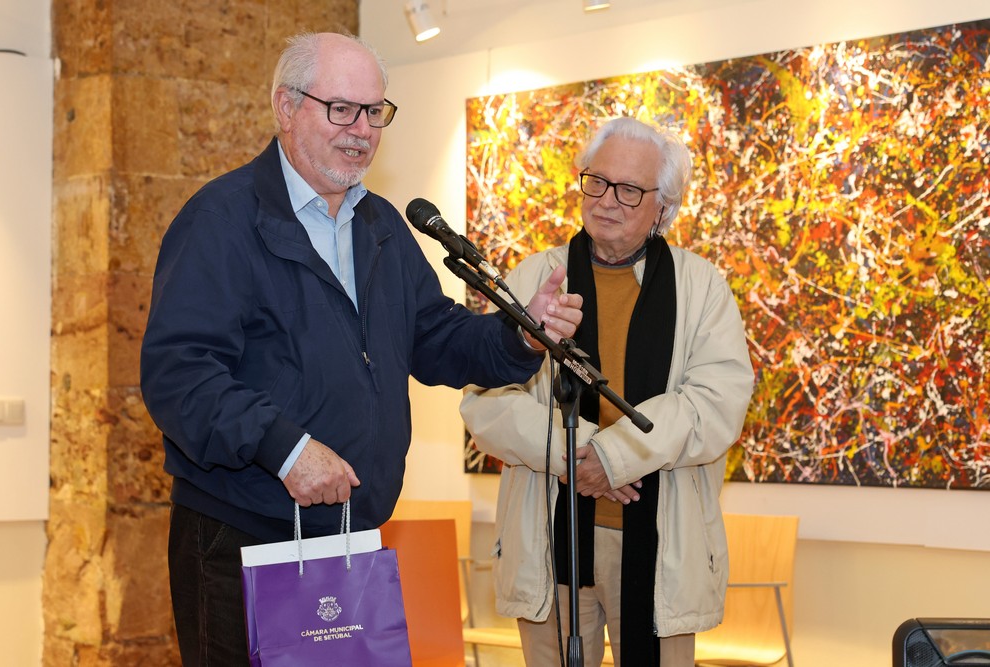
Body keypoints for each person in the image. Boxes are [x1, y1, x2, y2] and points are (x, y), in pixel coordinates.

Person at [139, 32, 583, 666]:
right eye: (341, 109)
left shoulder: (381, 226)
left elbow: (434, 336)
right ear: (286, 107)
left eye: (374, 112)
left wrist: (518, 333)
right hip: (243, 540)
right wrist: (286, 449)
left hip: (348, 538)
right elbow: (179, 375)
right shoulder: (221, 220)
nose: (362, 131)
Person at [460, 116, 755, 666]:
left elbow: (715, 405)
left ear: (662, 207)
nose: (606, 200)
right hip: (550, 538)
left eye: (628, 190)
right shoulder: (535, 278)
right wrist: (578, 457)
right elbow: (485, 401)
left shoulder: (701, 287)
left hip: (660, 551)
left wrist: (614, 458)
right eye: (596, 181)